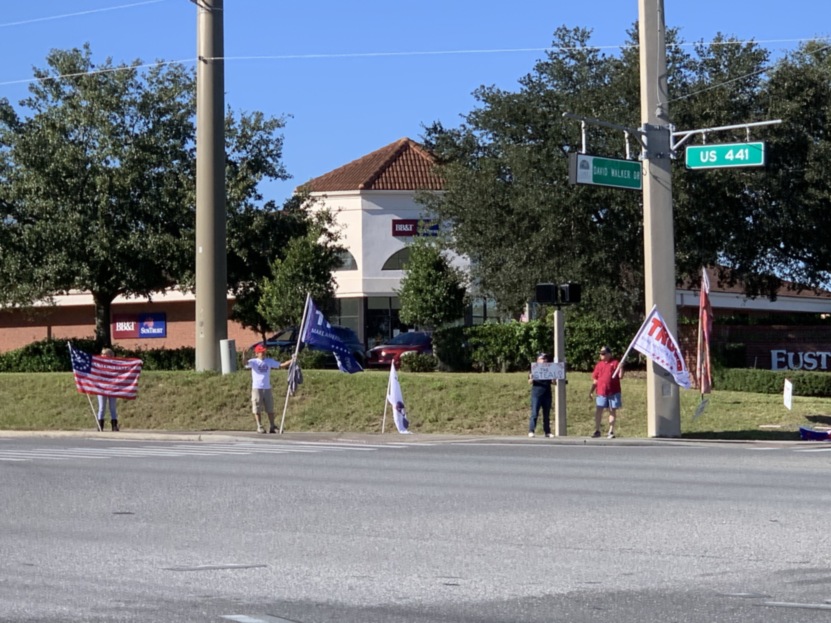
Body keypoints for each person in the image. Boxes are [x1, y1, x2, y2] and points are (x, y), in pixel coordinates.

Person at [246, 344, 292, 433]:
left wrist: (292, 360)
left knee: (270, 408)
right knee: (257, 408)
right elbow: (245, 363)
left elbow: (281, 365)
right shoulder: (254, 362)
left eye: (264, 352)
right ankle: (259, 426)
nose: (263, 353)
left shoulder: (269, 361)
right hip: (257, 388)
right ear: (256, 353)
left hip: (267, 388)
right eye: (261, 352)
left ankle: (272, 426)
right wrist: (244, 356)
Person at [590, 345, 623, 438]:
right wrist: (591, 391)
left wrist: (621, 367)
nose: (601, 355)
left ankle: (611, 431)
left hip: (613, 392)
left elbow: (620, 376)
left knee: (612, 410)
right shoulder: (599, 365)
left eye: (604, 353)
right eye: (601, 354)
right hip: (601, 392)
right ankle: (597, 430)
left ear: (609, 354)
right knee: (599, 410)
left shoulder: (615, 363)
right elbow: (595, 380)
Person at [528, 353, 553, 438]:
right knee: (534, 413)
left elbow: (554, 382)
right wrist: (531, 378)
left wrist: (554, 379)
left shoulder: (550, 369)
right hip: (536, 394)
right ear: (538, 360)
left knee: (546, 414)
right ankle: (531, 430)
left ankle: (547, 432)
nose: (544, 360)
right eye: (542, 359)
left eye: (545, 359)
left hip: (547, 394)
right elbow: (529, 381)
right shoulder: (534, 369)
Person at [97, 348, 120, 431]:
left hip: (112, 388)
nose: (103, 355)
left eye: (105, 354)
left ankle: (114, 425)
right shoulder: (99, 364)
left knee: (112, 407)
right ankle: (100, 425)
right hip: (101, 388)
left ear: (110, 355)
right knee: (102, 407)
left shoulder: (115, 365)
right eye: (102, 354)